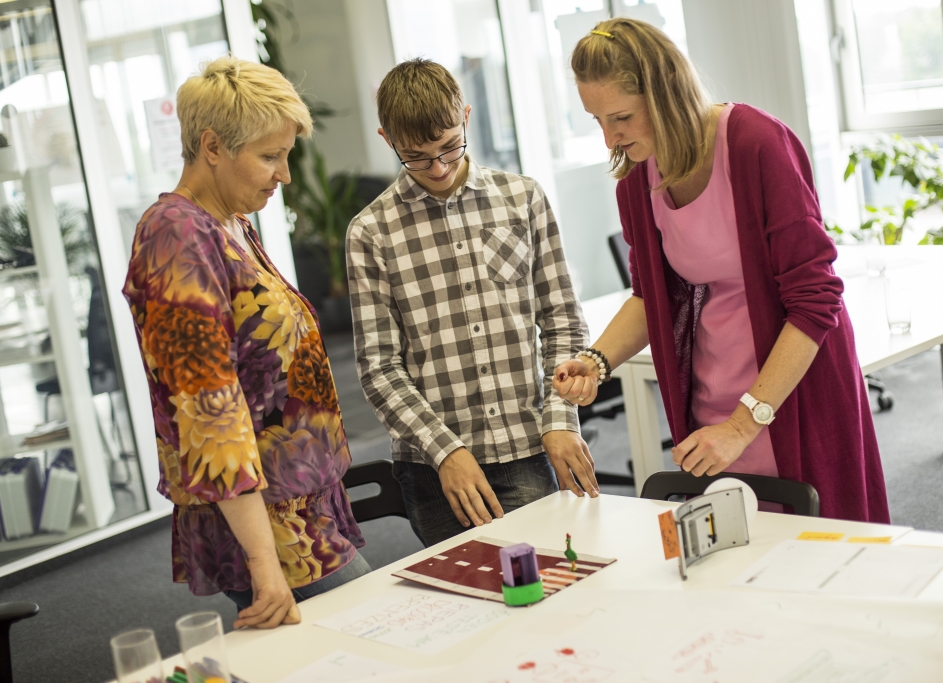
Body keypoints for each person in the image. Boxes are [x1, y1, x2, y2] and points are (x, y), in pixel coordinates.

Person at [554, 19, 889, 523]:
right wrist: (596, 362)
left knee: (822, 547)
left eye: (621, 117)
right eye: (596, 120)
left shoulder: (756, 143)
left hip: (790, 394)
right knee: (731, 552)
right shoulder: (637, 182)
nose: (609, 139)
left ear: (666, 91)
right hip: (714, 404)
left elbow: (816, 298)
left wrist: (743, 424)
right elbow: (649, 298)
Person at [122, 56, 369, 630]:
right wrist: (264, 564)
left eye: (286, 155)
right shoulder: (176, 236)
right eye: (269, 156)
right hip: (268, 524)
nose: (285, 175)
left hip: (300, 505)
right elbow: (207, 409)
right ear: (212, 146)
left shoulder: (231, 223)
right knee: (367, 638)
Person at [346, 59, 597, 548]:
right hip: (433, 467)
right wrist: (445, 451)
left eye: (449, 147)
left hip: (527, 445)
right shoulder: (371, 232)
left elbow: (562, 322)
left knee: (548, 580)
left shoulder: (522, 199)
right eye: (416, 157)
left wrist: (559, 418)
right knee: (462, 590)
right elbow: (378, 367)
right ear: (386, 139)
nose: (438, 168)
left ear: (466, 117)